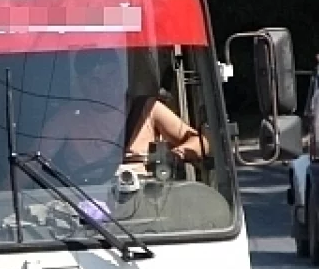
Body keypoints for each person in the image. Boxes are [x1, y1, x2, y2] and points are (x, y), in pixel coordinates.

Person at [36, 49, 208, 183]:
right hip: (89, 207)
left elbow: (202, 143)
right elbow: (33, 162)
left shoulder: (147, 109)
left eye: (111, 76)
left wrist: (175, 155)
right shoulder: (67, 118)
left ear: (120, 75)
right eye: (96, 81)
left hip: (145, 202)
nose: (106, 86)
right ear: (82, 84)